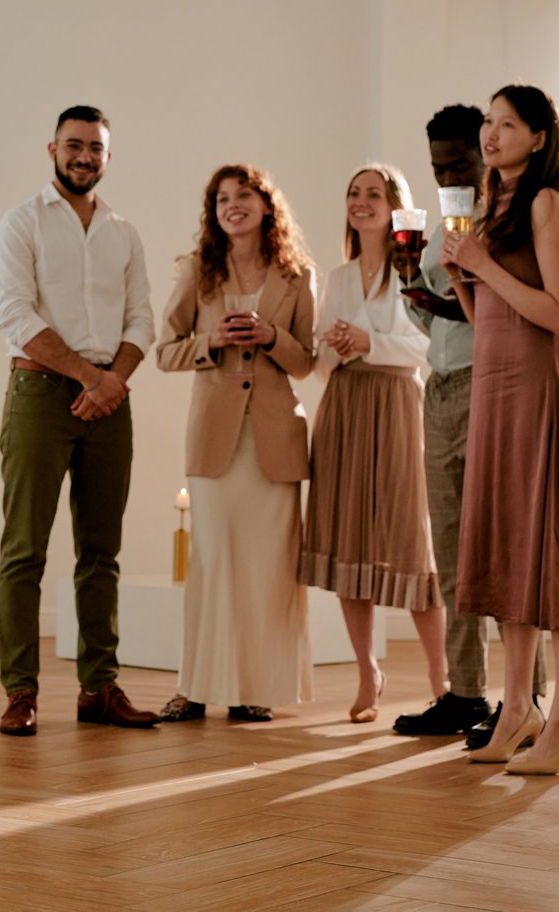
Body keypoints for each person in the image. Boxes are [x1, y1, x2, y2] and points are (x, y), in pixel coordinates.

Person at [0, 105, 158, 736]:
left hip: (111, 400)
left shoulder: (124, 233)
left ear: (108, 158)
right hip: (40, 393)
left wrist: (111, 382)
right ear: (52, 149)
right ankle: (21, 692)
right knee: (24, 550)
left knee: (101, 552)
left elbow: (143, 318)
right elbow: (17, 316)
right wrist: (92, 379)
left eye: (96, 148)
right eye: (74, 145)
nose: (84, 156)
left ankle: (98, 688)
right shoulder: (21, 224)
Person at [440, 84, 559, 776]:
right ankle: (515, 710)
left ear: (538, 136)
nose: (491, 135)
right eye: (489, 124)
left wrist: (483, 267)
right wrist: (463, 277)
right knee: (505, 549)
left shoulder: (546, 203)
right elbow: (490, 319)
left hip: (537, 387)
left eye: (507, 124)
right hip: (495, 387)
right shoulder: (490, 208)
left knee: (547, 547)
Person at [390, 105, 547, 748]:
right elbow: (445, 324)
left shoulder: (507, 222)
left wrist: (457, 296)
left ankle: (526, 698)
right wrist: (420, 299)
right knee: (451, 551)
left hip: (494, 388)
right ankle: (463, 691)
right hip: (443, 389)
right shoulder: (436, 235)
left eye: (457, 162)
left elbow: (515, 309)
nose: (448, 174)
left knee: (506, 549)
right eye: (437, 166)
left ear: (484, 153)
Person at [154, 164, 316, 723]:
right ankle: (195, 688)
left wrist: (273, 337)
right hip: (215, 442)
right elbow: (164, 350)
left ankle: (256, 690)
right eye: (222, 198)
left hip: (274, 443)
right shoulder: (198, 272)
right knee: (212, 566)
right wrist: (210, 341)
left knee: (269, 573)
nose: (233, 205)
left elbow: (309, 359)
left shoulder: (297, 276)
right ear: (214, 212)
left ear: (267, 206)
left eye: (244, 195)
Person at [299, 164, 446, 724]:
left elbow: (427, 349)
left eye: (374, 194)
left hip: (398, 407)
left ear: (394, 206)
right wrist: (336, 345)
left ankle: (441, 678)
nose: (361, 202)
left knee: (411, 543)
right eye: (354, 193)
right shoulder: (335, 278)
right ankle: (367, 671)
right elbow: (320, 367)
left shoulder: (417, 269)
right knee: (349, 538)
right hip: (344, 408)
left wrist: (369, 340)